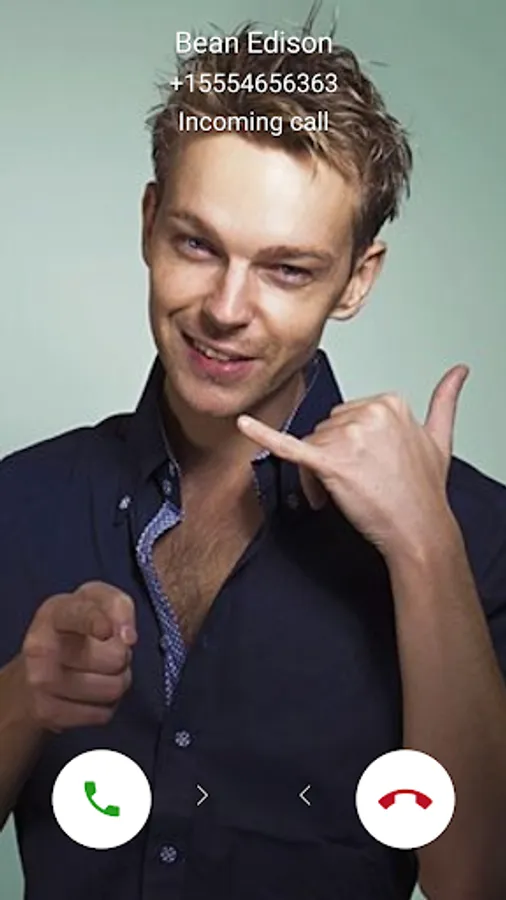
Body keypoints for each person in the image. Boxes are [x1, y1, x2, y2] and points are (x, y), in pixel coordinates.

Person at [1, 6, 506, 900]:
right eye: (197, 244)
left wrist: (426, 549)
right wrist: (21, 698)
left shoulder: (476, 532)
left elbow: (481, 878)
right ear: (150, 223)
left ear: (356, 280)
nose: (226, 309)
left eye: (287, 269)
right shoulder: (22, 498)